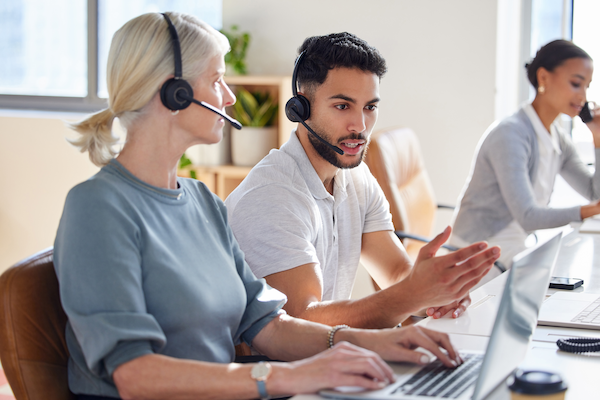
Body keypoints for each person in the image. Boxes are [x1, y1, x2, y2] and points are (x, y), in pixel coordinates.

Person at [54, 12, 464, 400]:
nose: (230, 97)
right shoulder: (98, 208)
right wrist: (292, 375)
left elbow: (268, 325)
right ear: (172, 92)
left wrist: (376, 341)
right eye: (217, 80)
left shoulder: (200, 202)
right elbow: (135, 375)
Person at [225, 32, 501, 329]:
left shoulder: (356, 177)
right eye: (343, 106)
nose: (360, 126)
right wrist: (411, 297)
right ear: (301, 108)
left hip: (332, 357)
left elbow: (395, 271)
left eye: (370, 107)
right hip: (279, 370)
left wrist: (435, 293)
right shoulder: (272, 196)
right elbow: (300, 320)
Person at [451, 39, 600, 284]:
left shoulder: (557, 139)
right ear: (543, 78)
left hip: (511, 252)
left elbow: (595, 192)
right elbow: (529, 216)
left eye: (587, 86)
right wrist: (591, 211)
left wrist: (597, 138)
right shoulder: (510, 135)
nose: (583, 96)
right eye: (576, 83)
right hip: (475, 258)